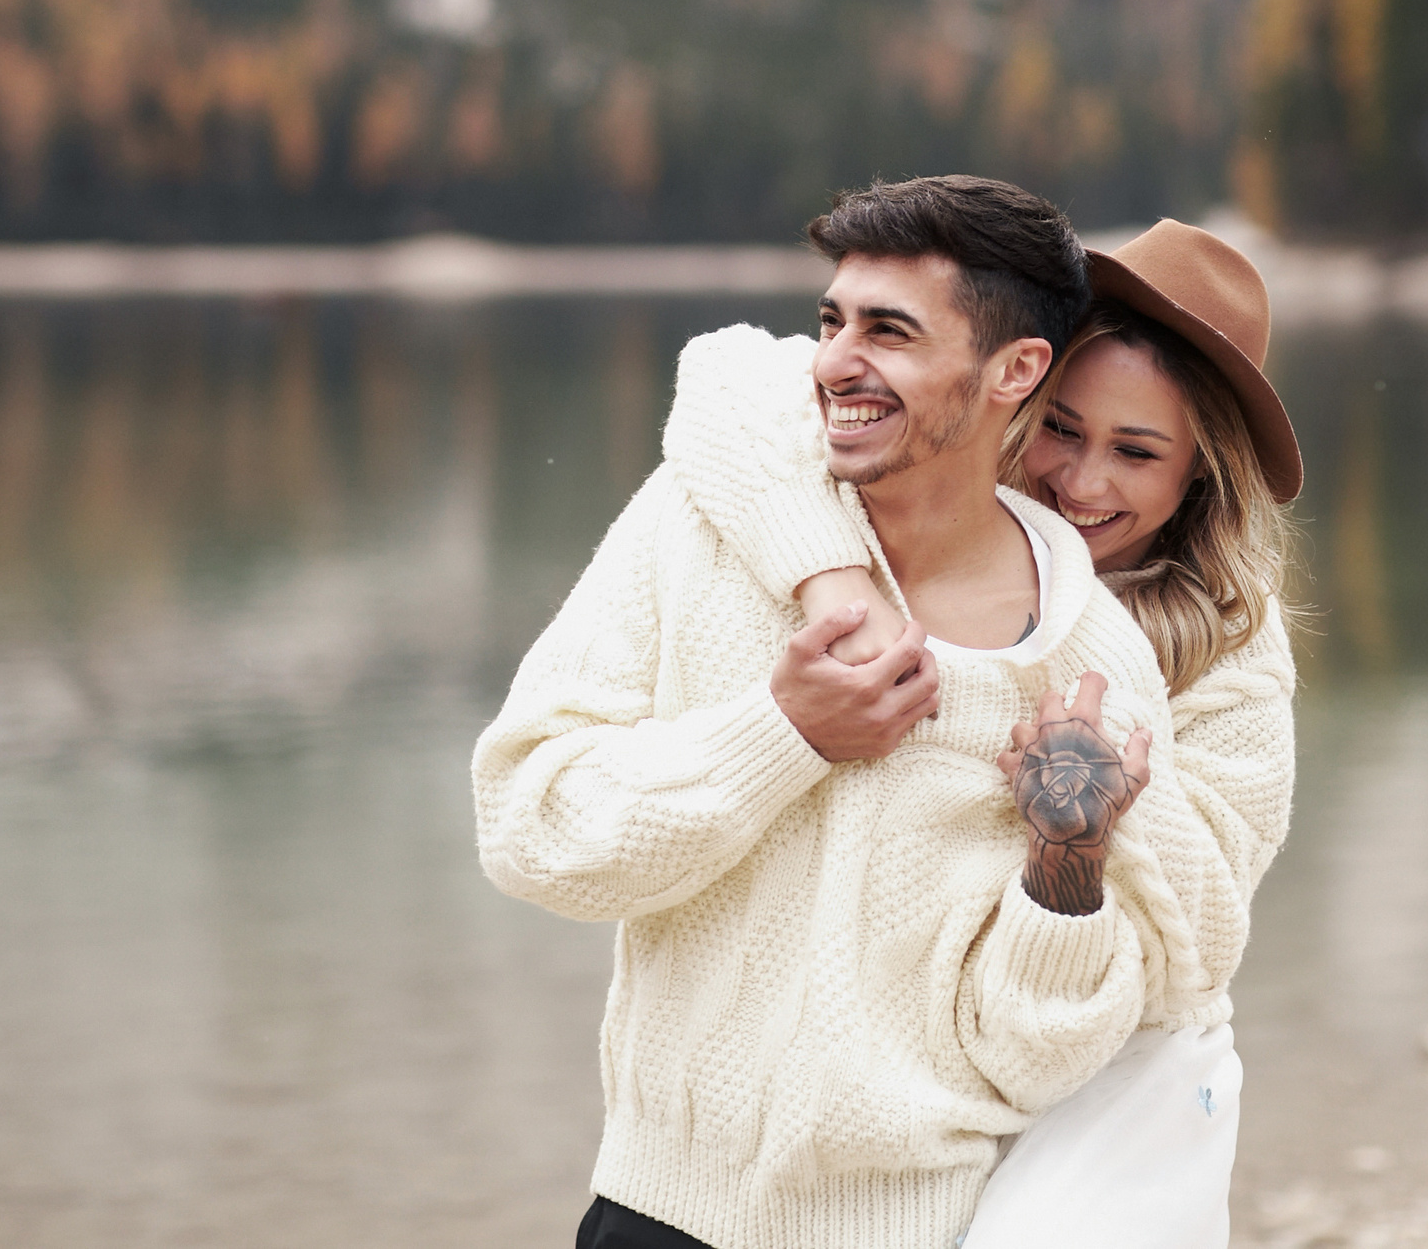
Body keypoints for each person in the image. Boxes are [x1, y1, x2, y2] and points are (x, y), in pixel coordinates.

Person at [472, 177, 1249, 1249]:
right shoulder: (699, 521)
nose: (834, 361)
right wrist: (781, 733)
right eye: (830, 320)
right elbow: (531, 834)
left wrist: (1066, 863)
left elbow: (1038, 1058)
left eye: (889, 332)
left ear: (1015, 370)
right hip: (653, 1212)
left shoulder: (1096, 665)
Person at [660, 218, 1303, 1248]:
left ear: (1199, 476)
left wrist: (1085, 821)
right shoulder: (917, 516)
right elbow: (727, 376)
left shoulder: (1228, 639)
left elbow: (1205, 928)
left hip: (1087, 1107)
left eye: (1136, 453)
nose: (1080, 483)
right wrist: (829, 575)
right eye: (1062, 429)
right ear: (1018, 388)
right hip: (877, 1111)